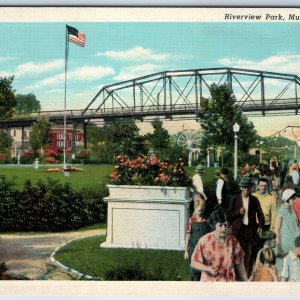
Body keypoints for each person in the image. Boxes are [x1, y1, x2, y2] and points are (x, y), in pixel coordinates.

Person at [191, 209, 248, 282]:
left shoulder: (232, 240)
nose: (224, 228)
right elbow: (193, 263)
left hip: (229, 283)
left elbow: (240, 263)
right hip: (210, 284)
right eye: (220, 225)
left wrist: (246, 282)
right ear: (215, 225)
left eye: (225, 225)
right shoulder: (205, 240)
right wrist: (207, 269)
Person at [227, 177, 265, 277]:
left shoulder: (254, 200)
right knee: (237, 254)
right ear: (241, 188)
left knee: (249, 254)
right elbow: (228, 214)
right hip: (238, 231)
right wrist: (238, 212)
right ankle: (236, 276)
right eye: (244, 188)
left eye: (248, 188)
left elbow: (260, 214)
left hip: (250, 231)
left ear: (251, 189)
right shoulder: (234, 199)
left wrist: (260, 226)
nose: (246, 190)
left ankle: (247, 278)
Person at [184, 199, 211, 281]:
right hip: (193, 249)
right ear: (195, 209)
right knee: (194, 272)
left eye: (202, 210)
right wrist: (186, 250)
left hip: (204, 250)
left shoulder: (207, 221)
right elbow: (188, 235)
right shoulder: (191, 220)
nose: (200, 212)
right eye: (199, 210)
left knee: (202, 272)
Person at [274, 189, 300, 273]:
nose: (295, 201)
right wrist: (279, 247)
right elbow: (276, 230)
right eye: (293, 199)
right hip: (284, 245)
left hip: (293, 244)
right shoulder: (281, 211)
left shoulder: (292, 211)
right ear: (287, 199)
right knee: (283, 269)